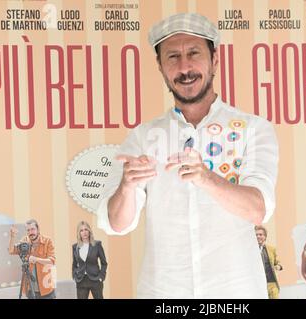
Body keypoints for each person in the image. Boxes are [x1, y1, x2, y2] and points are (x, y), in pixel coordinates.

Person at [97, 13, 278, 298]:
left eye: (194, 53)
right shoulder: (144, 137)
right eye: (172, 57)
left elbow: (258, 209)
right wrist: (127, 187)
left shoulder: (252, 129)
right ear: (160, 66)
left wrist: (206, 177)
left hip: (235, 294)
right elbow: (117, 224)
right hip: (163, 294)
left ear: (214, 60)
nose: (185, 67)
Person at [8, 219, 56, 299]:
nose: (31, 232)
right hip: (30, 288)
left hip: (46, 288)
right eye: (28, 230)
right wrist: (12, 236)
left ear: (38, 229)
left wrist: (36, 259)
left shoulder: (47, 241)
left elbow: (52, 261)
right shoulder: (24, 241)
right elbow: (11, 250)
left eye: (33, 229)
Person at [72, 221, 108, 299]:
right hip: (81, 280)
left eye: (86, 229)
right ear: (79, 233)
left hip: (95, 279)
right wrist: (74, 276)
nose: (84, 232)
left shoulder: (97, 245)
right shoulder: (75, 247)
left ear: (89, 231)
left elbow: (104, 263)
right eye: (81, 230)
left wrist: (101, 276)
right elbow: (74, 264)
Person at [255, 225, 283, 299]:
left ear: (265, 236)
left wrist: (277, 267)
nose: (258, 236)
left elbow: (279, 264)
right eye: (256, 235)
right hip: (259, 284)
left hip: (272, 284)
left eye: (260, 234)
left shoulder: (272, 249)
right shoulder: (251, 251)